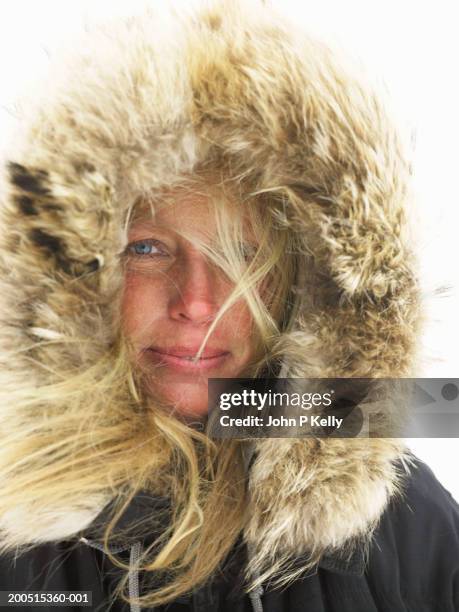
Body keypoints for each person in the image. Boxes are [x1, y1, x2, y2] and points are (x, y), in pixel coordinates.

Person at [0, 1, 458, 611]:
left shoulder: (404, 524)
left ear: (303, 287)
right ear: (74, 274)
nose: (198, 302)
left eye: (243, 258)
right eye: (147, 247)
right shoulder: (17, 529)